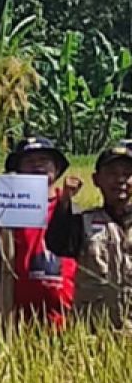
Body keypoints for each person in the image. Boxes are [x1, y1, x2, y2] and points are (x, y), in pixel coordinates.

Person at [0, 136, 74, 328]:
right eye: (29, 161)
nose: (37, 166)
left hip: (64, 318)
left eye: (44, 160)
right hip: (9, 317)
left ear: (57, 168)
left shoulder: (70, 209)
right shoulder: (3, 206)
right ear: (17, 170)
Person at [44, 140, 132, 330]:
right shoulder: (83, 222)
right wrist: (65, 200)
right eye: (112, 174)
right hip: (93, 330)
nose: (120, 181)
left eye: (127, 174)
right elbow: (57, 244)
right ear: (96, 179)